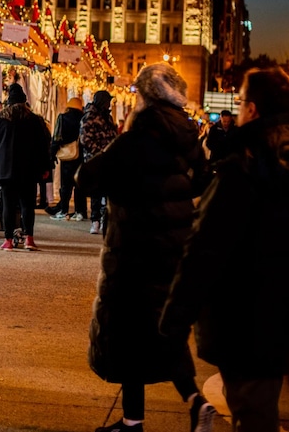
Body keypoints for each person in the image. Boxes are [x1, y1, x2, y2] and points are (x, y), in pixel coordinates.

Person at [161, 67, 289, 432]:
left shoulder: (246, 166)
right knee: (257, 408)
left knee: (253, 415)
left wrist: (175, 317)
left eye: (238, 103)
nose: (235, 111)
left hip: (244, 319)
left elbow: (204, 249)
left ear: (251, 109)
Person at [77, 63, 211, 432]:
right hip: (172, 248)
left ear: (147, 97)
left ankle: (133, 422)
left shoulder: (134, 140)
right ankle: (194, 400)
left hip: (135, 250)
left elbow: (87, 178)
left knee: (128, 331)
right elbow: (201, 179)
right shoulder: (188, 136)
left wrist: (123, 190)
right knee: (164, 328)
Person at [0, 82, 51, 251]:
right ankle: (29, 239)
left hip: (5, 169)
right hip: (29, 169)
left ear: (9, 101)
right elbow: (43, 145)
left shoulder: (0, 118)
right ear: (24, 102)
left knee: (8, 203)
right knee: (27, 204)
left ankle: (8, 240)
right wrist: (46, 167)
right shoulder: (35, 120)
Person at [78, 90, 118, 235]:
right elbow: (85, 139)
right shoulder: (89, 117)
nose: (109, 104)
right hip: (94, 159)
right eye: (107, 101)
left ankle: (104, 219)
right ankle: (95, 220)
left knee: (107, 190)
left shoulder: (108, 117)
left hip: (108, 159)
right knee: (96, 191)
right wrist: (99, 152)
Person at [47, 96, 85, 220]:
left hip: (67, 155)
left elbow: (57, 137)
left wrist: (52, 154)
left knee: (66, 185)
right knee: (79, 184)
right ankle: (80, 212)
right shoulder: (83, 119)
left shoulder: (63, 118)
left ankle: (64, 210)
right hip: (80, 155)